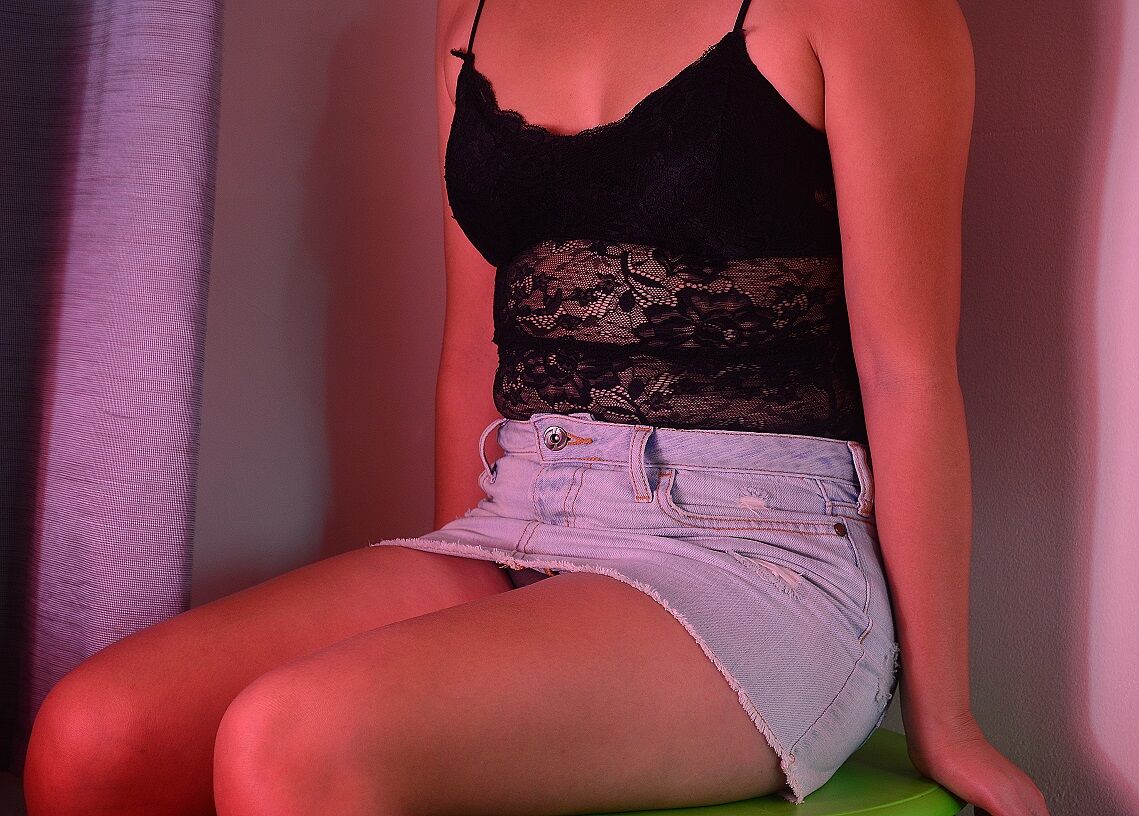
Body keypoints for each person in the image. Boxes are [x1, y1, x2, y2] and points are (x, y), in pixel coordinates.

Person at [24, 1, 1050, 814]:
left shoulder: (865, 9)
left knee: (290, 741)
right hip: (519, 514)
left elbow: (907, 373)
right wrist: (455, 623)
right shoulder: (469, 11)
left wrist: (945, 720)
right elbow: (473, 350)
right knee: (93, 738)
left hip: (756, 554)